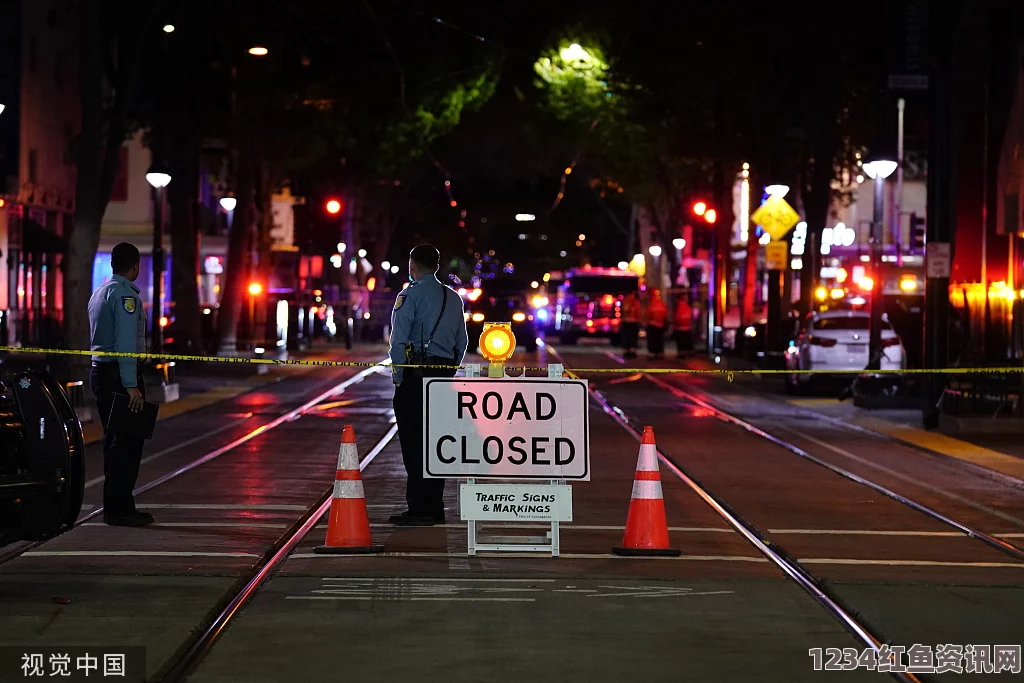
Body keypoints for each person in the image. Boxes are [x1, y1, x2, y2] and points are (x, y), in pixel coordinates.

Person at [388, 244, 469, 526]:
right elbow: (463, 341)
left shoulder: (409, 295)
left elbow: (398, 342)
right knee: (437, 442)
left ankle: (419, 508)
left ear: (413, 265)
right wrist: (450, 370)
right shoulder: (453, 298)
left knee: (413, 441)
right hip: (442, 375)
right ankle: (435, 505)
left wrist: (399, 376)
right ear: (436, 266)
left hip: (415, 374)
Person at [88, 242, 152, 526]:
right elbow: (125, 343)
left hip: (101, 373)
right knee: (128, 442)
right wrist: (130, 384)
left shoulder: (99, 292)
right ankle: (121, 509)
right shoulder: (126, 297)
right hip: (119, 376)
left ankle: (116, 505)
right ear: (135, 265)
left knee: (113, 442)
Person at [645, 289, 668, 359]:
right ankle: (659, 352)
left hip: (652, 325)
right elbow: (665, 314)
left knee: (652, 340)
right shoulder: (661, 303)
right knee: (659, 339)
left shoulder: (651, 303)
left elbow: (648, 314)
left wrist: (646, 323)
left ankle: (652, 353)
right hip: (660, 325)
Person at [620, 291, 641, 359]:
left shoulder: (626, 301)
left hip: (628, 322)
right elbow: (637, 312)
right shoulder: (634, 302)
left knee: (629, 337)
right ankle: (630, 350)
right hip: (631, 322)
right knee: (631, 337)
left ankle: (629, 350)